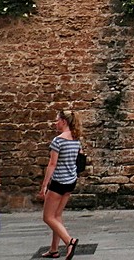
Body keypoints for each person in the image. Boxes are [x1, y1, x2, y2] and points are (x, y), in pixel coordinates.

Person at [39, 109, 82, 260]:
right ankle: (53, 249)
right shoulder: (76, 139)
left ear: (64, 121)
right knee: (57, 215)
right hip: (71, 181)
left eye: (57, 120)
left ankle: (69, 241)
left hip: (58, 182)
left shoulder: (58, 141)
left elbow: (52, 164)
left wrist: (44, 185)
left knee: (48, 217)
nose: (55, 123)